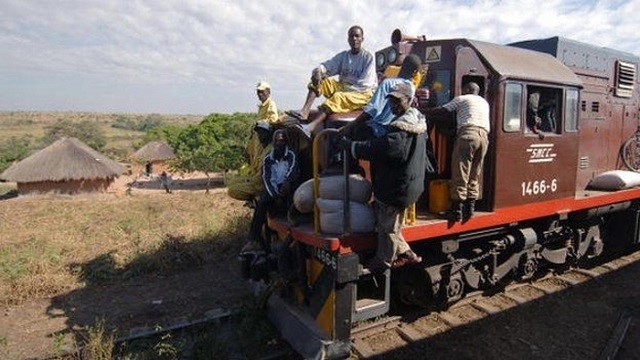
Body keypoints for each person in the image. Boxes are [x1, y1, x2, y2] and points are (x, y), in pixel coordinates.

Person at [338, 82, 426, 272]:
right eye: (391, 101)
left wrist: (352, 146)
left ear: (409, 100)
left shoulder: (402, 128)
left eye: (398, 101)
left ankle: (384, 261)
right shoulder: (415, 121)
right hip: (406, 184)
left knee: (388, 227)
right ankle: (407, 252)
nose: (393, 105)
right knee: (385, 220)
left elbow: (382, 149)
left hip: (396, 188)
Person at [288, 25, 377, 136]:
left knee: (338, 97)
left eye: (357, 36)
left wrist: (342, 93)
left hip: (363, 92)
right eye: (351, 36)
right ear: (348, 39)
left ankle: (311, 127)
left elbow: (364, 84)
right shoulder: (344, 56)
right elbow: (327, 66)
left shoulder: (368, 57)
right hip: (344, 87)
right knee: (322, 81)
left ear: (362, 39)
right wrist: (318, 71)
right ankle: (305, 111)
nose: (354, 38)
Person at [423, 82, 490, 222]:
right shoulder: (484, 102)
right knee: (474, 173)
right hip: (484, 137)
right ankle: (470, 208)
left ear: (466, 89)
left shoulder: (462, 98)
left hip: (468, 134)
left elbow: (443, 111)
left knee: (460, 171)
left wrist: (421, 111)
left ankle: (457, 210)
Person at [241, 129, 299, 254]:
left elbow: (293, 169)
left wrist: (287, 182)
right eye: (277, 141)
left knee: (297, 195)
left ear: (286, 142)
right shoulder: (267, 159)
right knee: (262, 203)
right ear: (274, 142)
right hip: (273, 188)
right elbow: (266, 178)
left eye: (282, 140)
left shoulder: (291, 155)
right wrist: (275, 194)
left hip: (289, 185)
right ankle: (253, 239)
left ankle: (293, 216)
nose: (280, 143)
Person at [340, 54, 423, 140]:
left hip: (376, 131)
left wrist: (349, 126)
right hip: (392, 130)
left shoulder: (387, 83)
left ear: (402, 66)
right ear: (415, 72)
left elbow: (372, 110)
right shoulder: (411, 88)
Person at [226, 122, 273, 201]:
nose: (260, 136)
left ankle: (255, 197)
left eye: (263, 133)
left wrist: (250, 180)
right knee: (231, 182)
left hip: (260, 183)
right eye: (259, 133)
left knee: (232, 190)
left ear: (269, 134)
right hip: (254, 178)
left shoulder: (271, 149)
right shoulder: (262, 147)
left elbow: (263, 173)